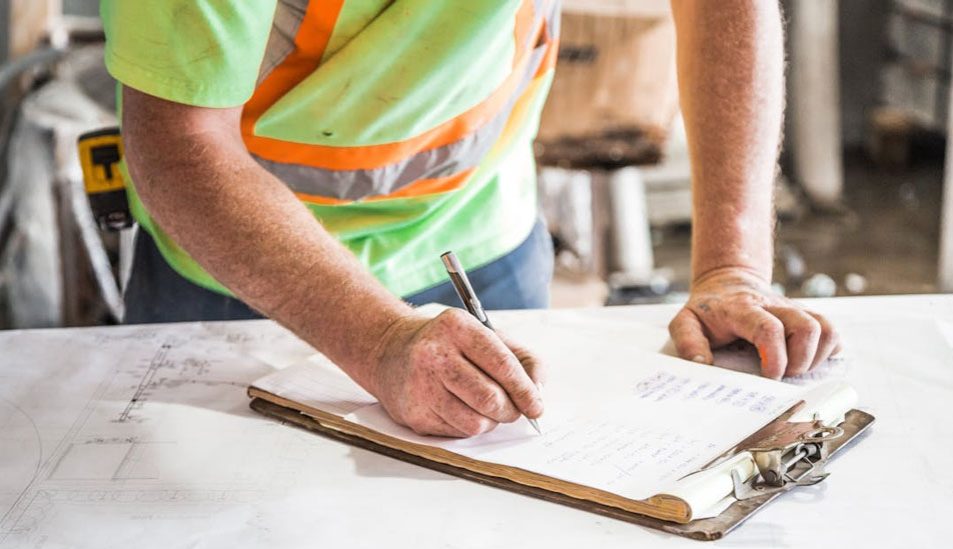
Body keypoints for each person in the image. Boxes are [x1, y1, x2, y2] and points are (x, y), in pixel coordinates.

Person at [102, 1, 839, 438]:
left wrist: (731, 268)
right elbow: (178, 142)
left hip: (483, 236)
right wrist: (379, 337)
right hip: (242, 275)